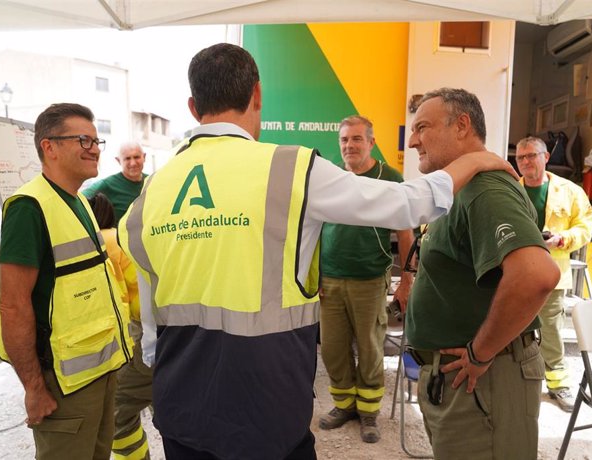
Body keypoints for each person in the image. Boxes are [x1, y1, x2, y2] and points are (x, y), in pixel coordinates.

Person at [118, 44, 517, 460]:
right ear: (257, 94)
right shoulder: (290, 169)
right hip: (266, 407)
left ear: (192, 105)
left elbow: (150, 329)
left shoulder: (150, 193)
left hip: (182, 405)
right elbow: (407, 204)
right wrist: (473, 160)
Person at [405, 87, 561, 459]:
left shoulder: (485, 187)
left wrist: (480, 352)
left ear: (462, 125)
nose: (412, 141)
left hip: (483, 380)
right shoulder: (459, 187)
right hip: (460, 383)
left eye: (422, 127)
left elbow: (536, 275)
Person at [0, 103, 133, 460]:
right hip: (63, 384)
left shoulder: (80, 202)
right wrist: (34, 388)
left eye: (96, 139)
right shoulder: (29, 207)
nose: (94, 148)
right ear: (49, 147)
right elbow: (12, 304)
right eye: (82, 139)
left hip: (98, 372)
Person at [318, 115, 414, 443]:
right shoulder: (330, 178)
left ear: (371, 142)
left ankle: (369, 412)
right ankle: (344, 405)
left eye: (357, 139)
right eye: (345, 140)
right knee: (332, 349)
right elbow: (313, 230)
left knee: (371, 350)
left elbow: (405, 232)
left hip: (370, 280)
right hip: (329, 280)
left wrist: (407, 281)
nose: (349, 146)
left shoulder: (390, 178)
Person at [516, 136, 592, 412]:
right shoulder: (512, 189)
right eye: (520, 157)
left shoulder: (570, 191)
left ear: (546, 157)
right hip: (515, 274)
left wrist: (561, 238)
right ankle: (515, 383)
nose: (525, 161)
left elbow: (585, 228)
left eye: (531, 156)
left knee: (550, 331)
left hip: (552, 275)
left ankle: (558, 383)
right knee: (513, 328)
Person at [88, 193, 154, 459]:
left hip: (141, 334)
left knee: (115, 412)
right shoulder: (121, 236)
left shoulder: (100, 243)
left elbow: (114, 299)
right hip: (163, 329)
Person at [83, 142, 147, 222]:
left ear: (144, 157)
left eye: (136, 157)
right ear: (118, 160)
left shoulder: (153, 181)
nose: (133, 163)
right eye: (127, 158)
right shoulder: (107, 185)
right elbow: (80, 200)